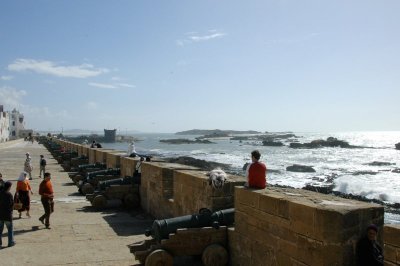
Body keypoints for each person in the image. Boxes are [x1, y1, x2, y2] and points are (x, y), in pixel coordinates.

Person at [0, 181, 15, 248]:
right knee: (10, 229)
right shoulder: (9, 194)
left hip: (0, 215)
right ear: (8, 187)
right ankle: (10, 242)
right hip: (7, 215)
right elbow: (11, 204)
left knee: (0, 230)